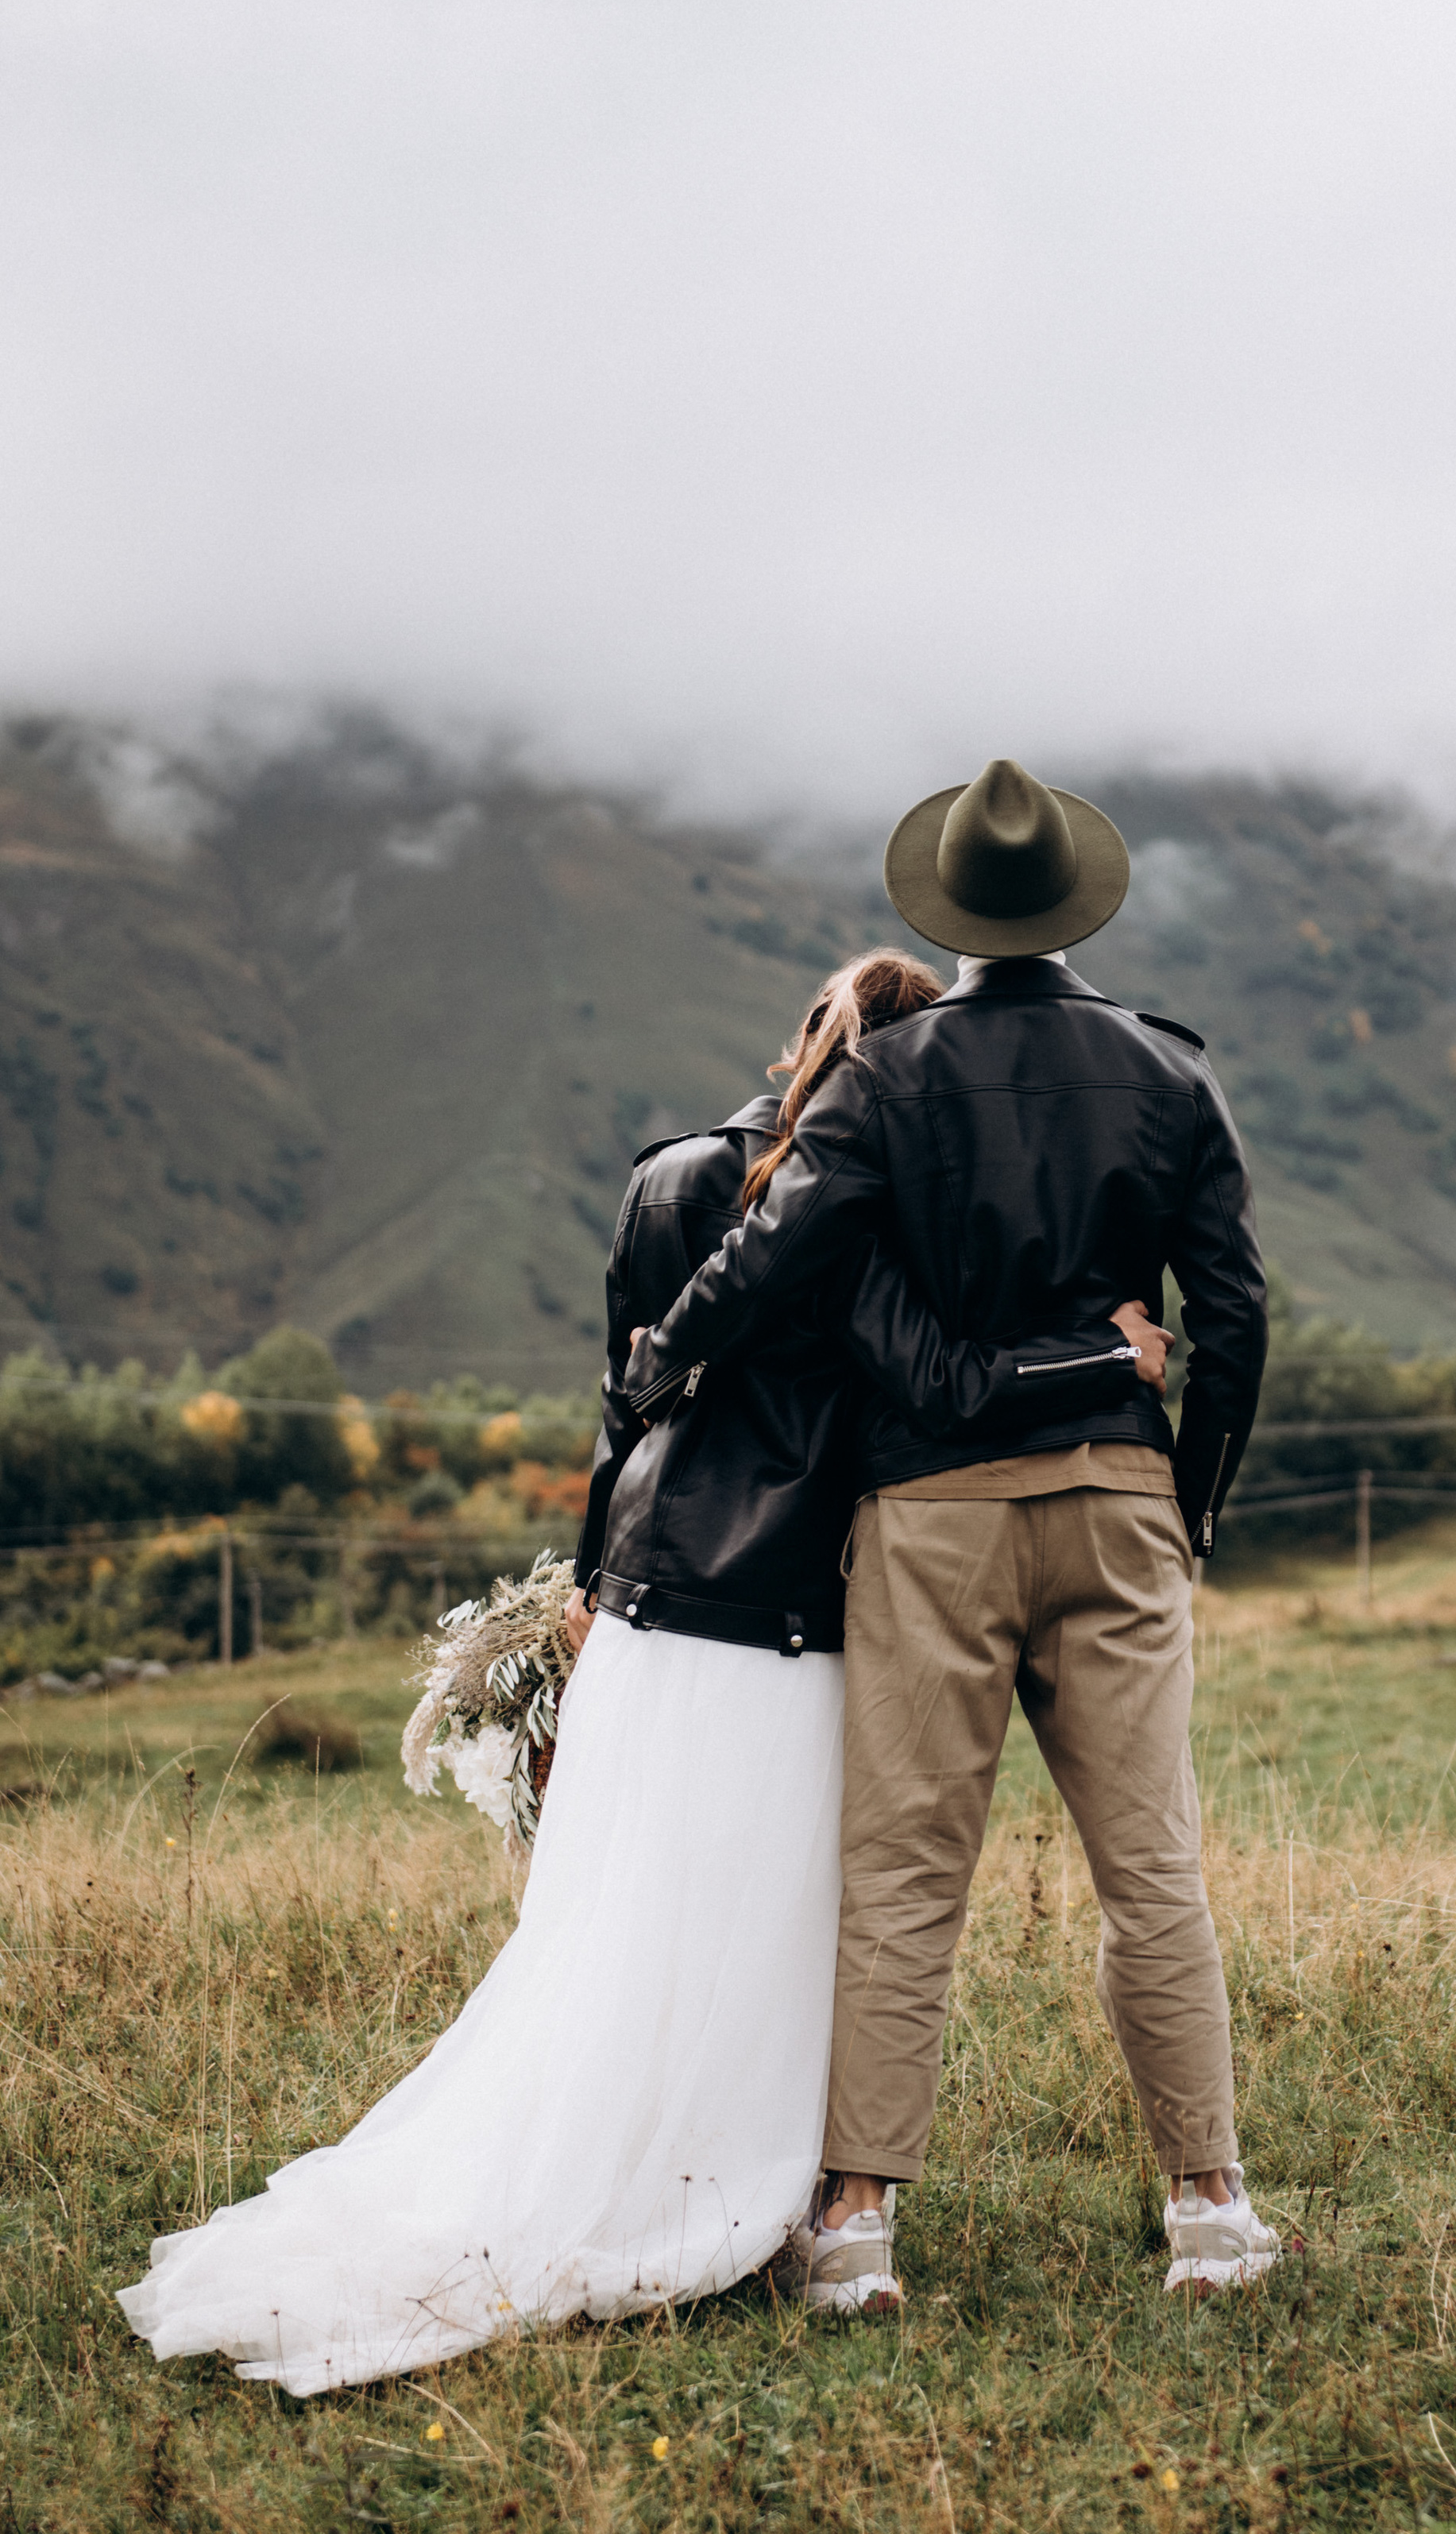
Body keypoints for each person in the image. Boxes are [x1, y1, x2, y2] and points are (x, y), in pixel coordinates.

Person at [117, 948, 1158, 2394]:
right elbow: (936, 1386)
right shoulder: (855, 1209)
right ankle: (737, 2204)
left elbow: (624, 1400)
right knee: (775, 1932)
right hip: (786, 1620)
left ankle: (629, 2166)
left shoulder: (666, 1175)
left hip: (646, 1615)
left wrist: (585, 1596)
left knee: (618, 1926)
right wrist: (1105, 1362)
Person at [623, 761, 1277, 2310]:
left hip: (927, 1517)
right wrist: (1182, 1506)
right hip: (1114, 1500)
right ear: (1077, 903)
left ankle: (854, 2228)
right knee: (1151, 1867)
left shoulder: (889, 1073)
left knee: (905, 1871)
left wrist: (669, 1343)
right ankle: (1207, 2204)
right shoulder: (1168, 1073)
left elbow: (776, 1250)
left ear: (948, 912)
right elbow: (1233, 1317)